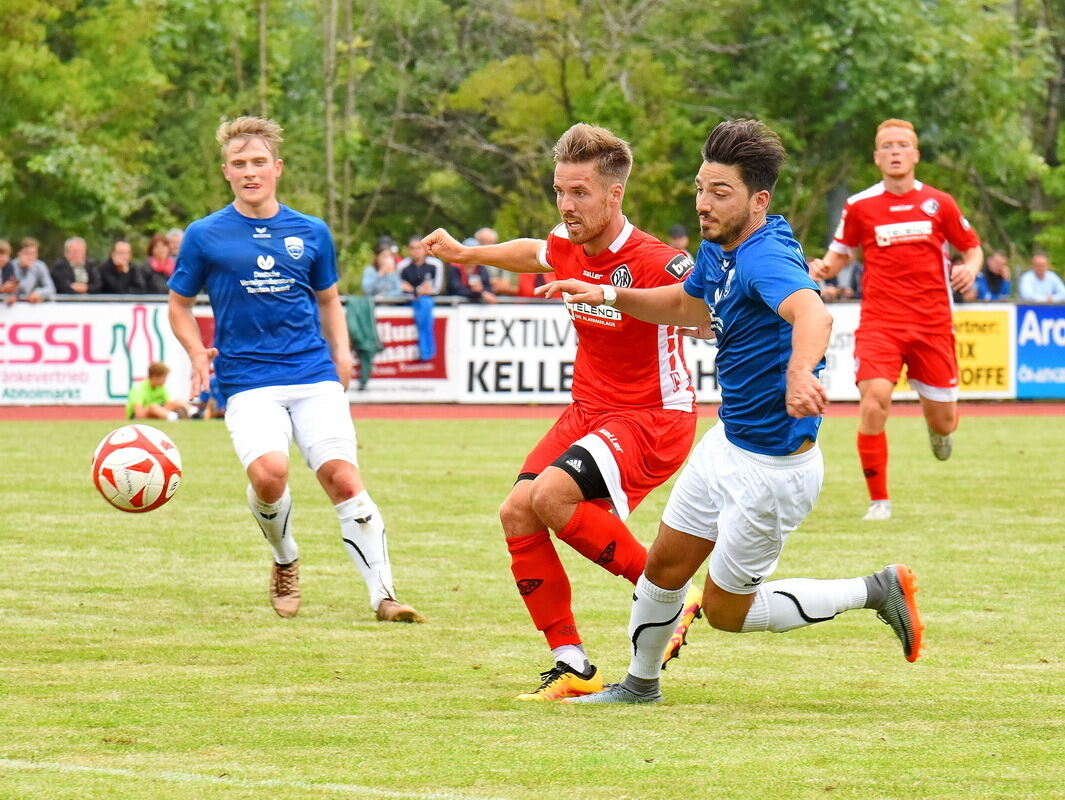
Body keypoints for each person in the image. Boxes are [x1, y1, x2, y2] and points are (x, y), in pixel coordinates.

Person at [541, 118, 923, 706]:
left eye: (720, 193)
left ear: (757, 200)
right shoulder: (720, 247)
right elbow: (685, 304)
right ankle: (640, 685)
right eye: (701, 188)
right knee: (663, 569)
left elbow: (813, 315)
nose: (703, 203)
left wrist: (800, 372)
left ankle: (874, 590)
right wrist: (611, 294)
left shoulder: (764, 257)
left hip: (773, 471)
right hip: (726, 445)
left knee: (724, 612)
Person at [423, 123, 702, 700]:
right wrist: (466, 252)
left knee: (551, 495)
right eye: (560, 191)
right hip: (589, 410)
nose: (567, 205)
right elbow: (535, 251)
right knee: (518, 511)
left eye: (579, 193)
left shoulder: (660, 261)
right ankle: (572, 663)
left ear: (614, 194)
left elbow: (700, 310)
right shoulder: (569, 241)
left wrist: (615, 296)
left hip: (652, 416)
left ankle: (669, 597)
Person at [167, 115, 423, 623]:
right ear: (226, 172)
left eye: (259, 162)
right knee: (270, 475)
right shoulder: (204, 235)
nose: (250, 171)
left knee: (343, 479)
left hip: (311, 372)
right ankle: (285, 559)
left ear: (277, 167)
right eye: (239, 164)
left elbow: (330, 301)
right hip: (245, 379)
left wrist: (342, 353)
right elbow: (177, 304)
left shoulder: (311, 231)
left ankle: (385, 596)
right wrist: (197, 352)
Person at [810, 119, 983, 521]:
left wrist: (970, 269)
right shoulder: (860, 205)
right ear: (876, 157)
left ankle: (938, 430)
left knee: (943, 421)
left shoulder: (940, 203)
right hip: (880, 324)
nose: (895, 151)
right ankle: (879, 501)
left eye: (902, 145)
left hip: (933, 326)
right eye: (887, 145)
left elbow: (971, 248)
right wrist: (824, 267)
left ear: (915, 154)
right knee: (874, 402)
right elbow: (842, 252)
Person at [126, 361, 192, 420]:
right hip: (135, 418)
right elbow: (139, 415)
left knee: (177, 402)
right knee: (153, 407)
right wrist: (157, 411)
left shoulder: (161, 387)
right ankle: (176, 418)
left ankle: (194, 413)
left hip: (157, 413)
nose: (165, 380)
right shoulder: (138, 388)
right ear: (155, 377)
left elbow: (168, 404)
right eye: (164, 377)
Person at [5, 237, 56, 305]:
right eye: (27, 253)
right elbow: (23, 288)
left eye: (33, 254)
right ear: (19, 253)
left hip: (31, 305)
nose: (30, 257)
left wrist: (38, 293)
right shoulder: (11, 266)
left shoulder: (40, 266)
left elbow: (51, 288)